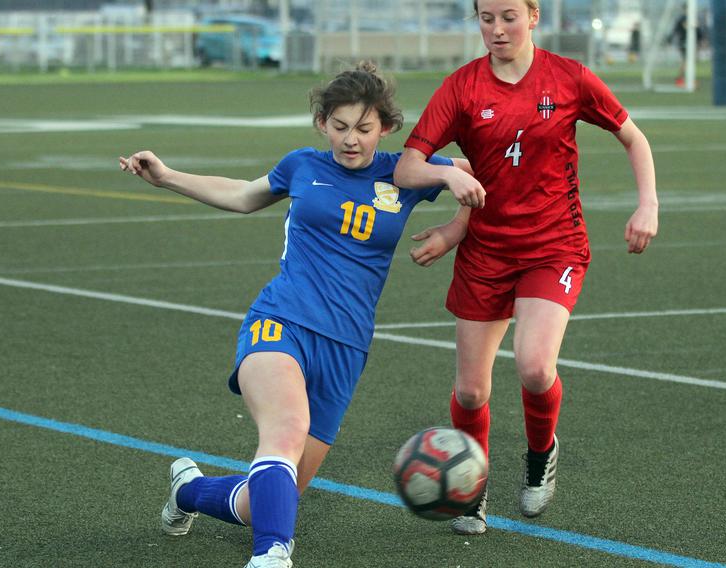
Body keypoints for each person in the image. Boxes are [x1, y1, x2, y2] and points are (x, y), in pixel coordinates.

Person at [119, 62, 470, 567]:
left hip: (347, 348)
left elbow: (472, 176)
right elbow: (243, 196)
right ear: (322, 124)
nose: (351, 140)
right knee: (284, 432)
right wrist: (166, 177)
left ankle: (189, 492)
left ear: (387, 129)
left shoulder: (406, 174)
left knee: (266, 502)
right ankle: (272, 556)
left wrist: (453, 226)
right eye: (341, 126)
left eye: (364, 129)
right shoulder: (302, 165)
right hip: (281, 320)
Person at [395, 0, 658, 536]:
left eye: (508, 16)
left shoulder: (569, 78)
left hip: (554, 247)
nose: (496, 29)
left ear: (534, 15)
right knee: (471, 392)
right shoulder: (462, 88)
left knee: (535, 367)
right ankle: (472, 487)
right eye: (486, 18)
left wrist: (647, 203)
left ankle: (540, 456)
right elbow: (406, 168)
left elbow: (633, 137)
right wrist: (449, 181)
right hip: (486, 254)